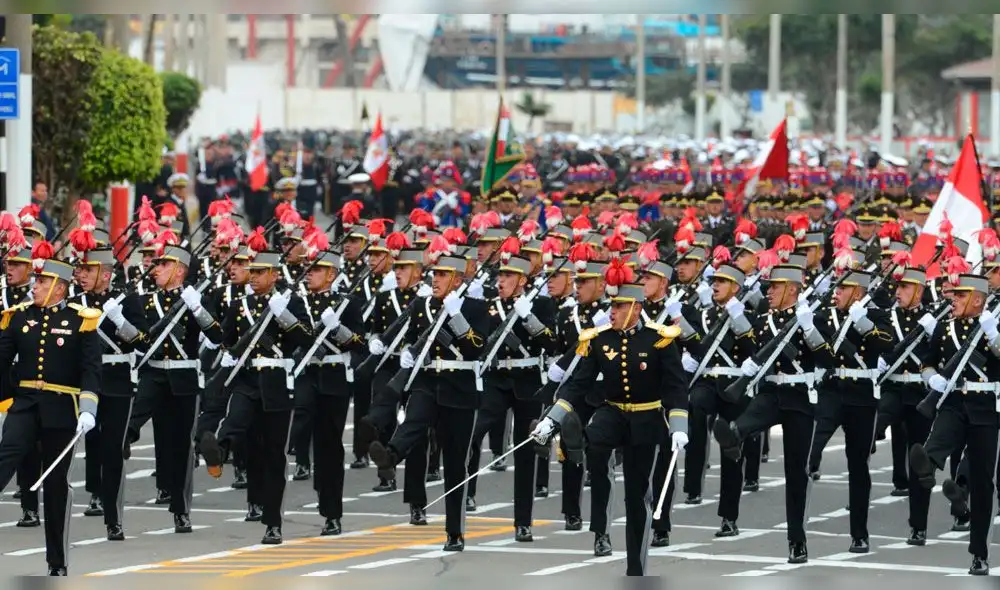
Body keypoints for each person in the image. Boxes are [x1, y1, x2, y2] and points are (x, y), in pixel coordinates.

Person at [531, 263, 688, 576]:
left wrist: (680, 427)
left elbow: (675, 388)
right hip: (612, 411)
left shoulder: (661, 340)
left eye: (617, 307)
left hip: (646, 417)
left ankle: (635, 566)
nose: (611, 313)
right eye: (611, 306)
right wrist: (552, 418)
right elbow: (578, 385)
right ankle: (575, 441)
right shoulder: (599, 339)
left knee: (636, 495)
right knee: (596, 440)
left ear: (634, 308)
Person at [368, 245, 489, 551]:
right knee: (414, 419)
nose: (436, 280)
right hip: (427, 380)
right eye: (435, 274)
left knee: (454, 462)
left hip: (459, 387)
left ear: (458, 280)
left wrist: (457, 316)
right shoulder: (423, 305)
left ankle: (454, 531)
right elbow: (414, 336)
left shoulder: (475, 307)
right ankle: (392, 454)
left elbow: (477, 347)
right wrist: (409, 352)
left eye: (444, 275)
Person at [713, 264, 832, 564]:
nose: (769, 290)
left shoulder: (811, 318)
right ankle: (734, 435)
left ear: (792, 290)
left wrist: (809, 329)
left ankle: (797, 540)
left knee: (795, 473)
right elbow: (757, 348)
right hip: (771, 393)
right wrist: (752, 364)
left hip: (799, 397)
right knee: (750, 417)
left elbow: (827, 358)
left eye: (775, 286)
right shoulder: (766, 320)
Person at [0, 246, 102, 575]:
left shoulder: (80, 321)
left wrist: (88, 407)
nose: (34, 286)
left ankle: (56, 562)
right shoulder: (19, 316)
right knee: (6, 456)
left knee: (55, 484)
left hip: (61, 409)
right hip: (25, 405)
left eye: (42, 282)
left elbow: (90, 370)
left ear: (59, 287)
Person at [200, 248, 313, 545]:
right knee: (234, 421)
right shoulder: (240, 304)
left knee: (274, 456)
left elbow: (306, 339)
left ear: (274, 275)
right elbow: (224, 339)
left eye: (261, 273)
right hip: (247, 379)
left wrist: (284, 315)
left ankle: (273, 523)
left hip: (276, 384)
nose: (254, 277)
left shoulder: (291, 303)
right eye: (253, 272)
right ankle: (219, 450)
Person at [908, 270, 1000, 575]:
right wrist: (930, 377)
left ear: (977, 300)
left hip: (986, 407)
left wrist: (994, 334)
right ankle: (927, 466)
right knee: (939, 438)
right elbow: (927, 360)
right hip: (953, 402)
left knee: (983, 482)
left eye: (960, 296)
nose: (954, 301)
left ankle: (979, 553)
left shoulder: (993, 325)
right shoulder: (946, 329)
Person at [126, 244, 223, 533]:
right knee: (129, 422)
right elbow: (139, 339)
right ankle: (117, 450)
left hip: (183, 380)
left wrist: (197, 307)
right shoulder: (146, 301)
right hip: (153, 376)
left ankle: (181, 510)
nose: (155, 269)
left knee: (181, 448)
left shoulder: (196, 299)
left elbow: (216, 336)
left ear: (179, 271)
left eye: (163, 265)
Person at [466, 253, 556, 541]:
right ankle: (467, 493)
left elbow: (549, 341)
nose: (500, 281)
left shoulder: (540, 304)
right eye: (499, 276)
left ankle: (523, 521)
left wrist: (528, 317)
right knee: (474, 430)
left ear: (522, 280)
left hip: (527, 380)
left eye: (507, 276)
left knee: (525, 450)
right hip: (495, 380)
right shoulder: (489, 306)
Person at [72, 244, 149, 541]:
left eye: (89, 270)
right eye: (82, 270)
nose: (83, 275)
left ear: (105, 275)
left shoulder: (127, 300)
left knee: (113, 449)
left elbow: (142, 342)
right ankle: (94, 492)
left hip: (117, 380)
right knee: (89, 441)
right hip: (86, 379)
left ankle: (113, 518)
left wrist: (119, 321)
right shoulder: (75, 300)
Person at [295, 250, 365, 536]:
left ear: (332, 274)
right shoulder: (297, 303)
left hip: (334, 377)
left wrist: (338, 330)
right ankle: (298, 457)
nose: (309, 273)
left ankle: (332, 513)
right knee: (298, 421)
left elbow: (359, 342)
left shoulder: (347, 304)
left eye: (316, 269)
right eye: (307, 268)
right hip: (306, 374)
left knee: (329, 446)